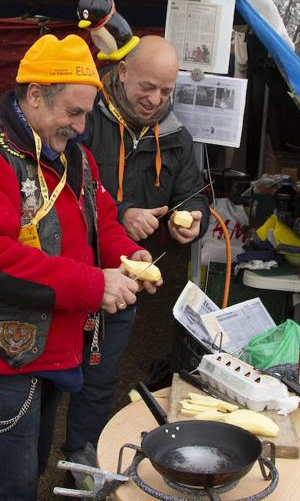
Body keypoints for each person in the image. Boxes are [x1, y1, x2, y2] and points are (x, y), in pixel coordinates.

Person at [0, 34, 161, 501]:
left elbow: (101, 216)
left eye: (85, 114)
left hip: (55, 347)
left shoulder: (72, 156)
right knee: (8, 485)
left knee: (31, 467)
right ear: (34, 94)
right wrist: (92, 284)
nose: (80, 127)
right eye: (73, 113)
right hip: (5, 354)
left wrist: (125, 256)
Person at [62, 35, 210, 467]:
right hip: (69, 264)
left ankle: (80, 456)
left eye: (166, 91)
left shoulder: (177, 134)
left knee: (102, 371)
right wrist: (122, 214)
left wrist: (192, 219)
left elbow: (192, 194)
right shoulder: (85, 118)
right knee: (54, 367)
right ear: (122, 71)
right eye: (148, 87)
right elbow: (64, 184)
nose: (155, 100)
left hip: (126, 274)